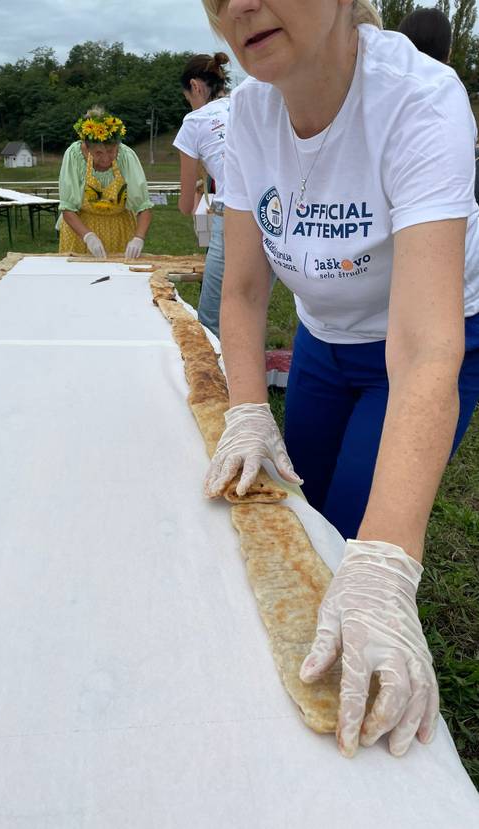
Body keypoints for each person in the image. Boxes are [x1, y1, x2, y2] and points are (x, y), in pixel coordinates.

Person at [200, 0, 479, 760]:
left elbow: (425, 350)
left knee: (362, 537)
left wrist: (388, 563)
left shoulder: (419, 100)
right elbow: (245, 291)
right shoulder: (247, 118)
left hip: (420, 340)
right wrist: (248, 407)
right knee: (301, 512)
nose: (239, 7)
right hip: (324, 341)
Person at [173, 53, 231, 337]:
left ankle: (215, 380)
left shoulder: (194, 121)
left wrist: (196, 192)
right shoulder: (246, 105)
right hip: (273, 213)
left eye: (189, 97)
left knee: (211, 320)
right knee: (251, 305)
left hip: (230, 215)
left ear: (196, 86)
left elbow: (185, 205)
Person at [58, 108, 153, 258]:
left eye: (111, 151)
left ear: (118, 145)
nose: (106, 159)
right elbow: (67, 207)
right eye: (98, 153)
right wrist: (88, 237)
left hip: (119, 231)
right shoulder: (74, 156)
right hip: (80, 232)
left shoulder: (126, 157)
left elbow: (143, 207)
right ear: (87, 148)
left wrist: (138, 238)